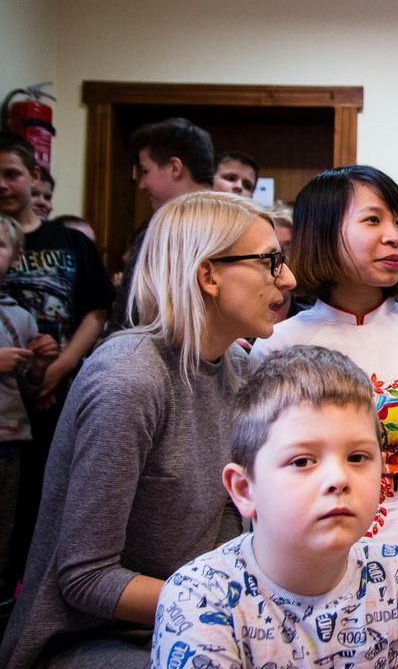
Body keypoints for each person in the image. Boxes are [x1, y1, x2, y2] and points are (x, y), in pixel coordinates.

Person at [0, 192, 295, 669]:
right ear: (208, 275)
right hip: (85, 639)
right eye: (270, 262)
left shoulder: (237, 368)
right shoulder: (129, 377)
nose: (289, 279)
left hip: (184, 624)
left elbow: (221, 534)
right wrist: (229, 608)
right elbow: (85, 578)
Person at [249, 165, 398, 668]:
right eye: (373, 220)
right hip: (304, 565)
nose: (395, 236)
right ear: (322, 232)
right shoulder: (277, 344)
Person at [152, 345, 398, 669]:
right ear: (245, 490)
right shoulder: (199, 598)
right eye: (302, 461)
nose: (338, 479)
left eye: (357, 457)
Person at [0, 133, 115, 593]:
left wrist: (56, 370)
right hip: (8, 399)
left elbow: (95, 311)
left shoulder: (69, 242)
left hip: (57, 396)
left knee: (40, 506)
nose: (3, 184)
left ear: (33, 176)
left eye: (11, 174)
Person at [108, 117, 216, 333]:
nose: (141, 185)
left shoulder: (158, 236)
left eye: (145, 171)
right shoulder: (242, 227)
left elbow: (128, 320)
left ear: (175, 167)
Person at [0, 215, 59, 597]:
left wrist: (37, 368)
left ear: (16, 257)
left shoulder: (20, 317)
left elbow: (27, 389)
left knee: (4, 535)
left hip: (10, 442)